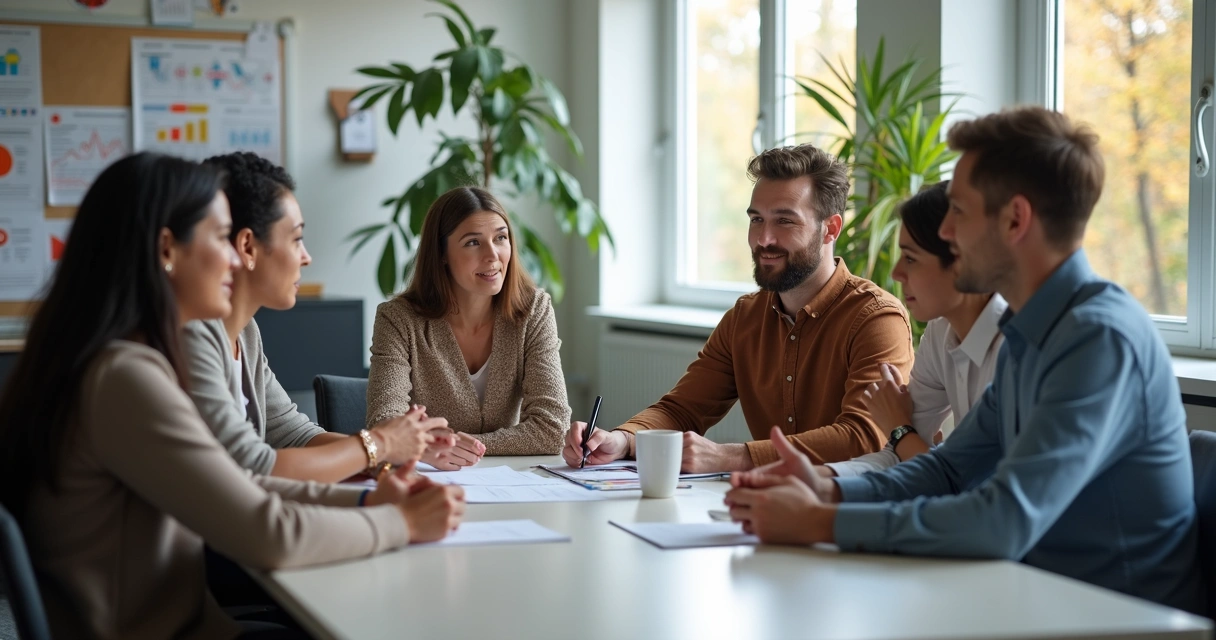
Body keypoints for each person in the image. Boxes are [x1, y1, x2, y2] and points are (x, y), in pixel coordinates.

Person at [725, 107, 1203, 615]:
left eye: (959, 211)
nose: (946, 232)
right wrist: (825, 486)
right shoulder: (1032, 329)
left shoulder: (1097, 339)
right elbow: (948, 471)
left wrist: (821, 521)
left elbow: (1003, 521)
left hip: (1116, 617)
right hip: (1038, 598)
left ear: (1015, 220)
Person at [0, 153, 466, 639]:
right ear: (167, 250)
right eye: (221, 237)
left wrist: (369, 504)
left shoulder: (125, 361)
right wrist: (400, 523)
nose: (234, 257)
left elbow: (238, 483)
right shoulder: (124, 377)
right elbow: (267, 530)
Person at [564, 144, 914, 473]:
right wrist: (622, 440)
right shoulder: (745, 317)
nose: (763, 239)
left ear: (830, 229)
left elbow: (865, 436)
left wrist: (732, 456)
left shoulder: (876, 318)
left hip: (852, 511)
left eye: (784, 221)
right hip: (770, 505)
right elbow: (683, 409)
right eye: (756, 219)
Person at [182, 152, 452, 483]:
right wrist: (380, 445)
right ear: (248, 248)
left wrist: (388, 458)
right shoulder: (192, 336)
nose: (307, 257)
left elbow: (292, 433)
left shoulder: (246, 333)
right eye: (296, 239)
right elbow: (251, 467)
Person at [365, 186, 571, 468]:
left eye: (500, 238)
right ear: (442, 254)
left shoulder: (533, 310)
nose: (492, 255)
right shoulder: (397, 319)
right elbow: (385, 425)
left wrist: (457, 445)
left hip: (507, 482)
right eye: (473, 242)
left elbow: (552, 430)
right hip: (429, 482)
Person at [825, 181, 1006, 478]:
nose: (896, 273)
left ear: (961, 263)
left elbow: (962, 484)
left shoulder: (1015, 348)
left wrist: (899, 427)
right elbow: (898, 457)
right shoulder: (940, 331)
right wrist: (818, 477)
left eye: (910, 258)